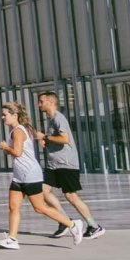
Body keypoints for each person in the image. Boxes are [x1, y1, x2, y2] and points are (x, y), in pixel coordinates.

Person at [0, 102, 83, 250]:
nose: (3, 117)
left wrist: (5, 147)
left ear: (14, 115)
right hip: (19, 176)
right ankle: (12, 239)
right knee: (13, 207)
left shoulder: (18, 131)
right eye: (2, 115)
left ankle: (73, 224)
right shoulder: (17, 129)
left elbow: (17, 152)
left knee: (40, 208)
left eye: (5, 115)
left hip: (30, 174)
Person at [36, 91, 103, 239]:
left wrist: (45, 137)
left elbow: (65, 139)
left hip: (66, 164)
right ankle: (65, 221)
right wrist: (46, 142)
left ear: (51, 102)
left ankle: (94, 226)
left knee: (71, 196)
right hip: (54, 164)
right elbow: (56, 140)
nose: (39, 104)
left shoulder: (59, 118)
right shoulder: (50, 119)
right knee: (43, 191)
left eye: (41, 101)